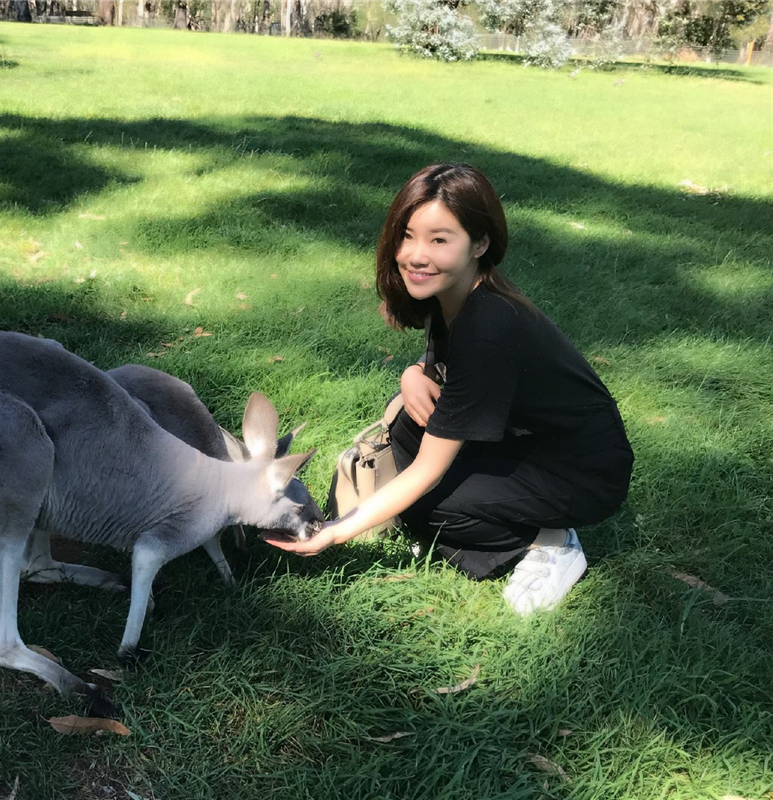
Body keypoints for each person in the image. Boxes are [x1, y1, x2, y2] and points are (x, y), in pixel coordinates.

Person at [263, 163, 633, 615]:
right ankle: (471, 528)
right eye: (408, 235)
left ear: (480, 243)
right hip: (533, 445)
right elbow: (445, 363)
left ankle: (549, 543)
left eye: (439, 239)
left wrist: (335, 532)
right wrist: (411, 374)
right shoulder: (458, 294)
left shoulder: (488, 326)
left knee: (427, 506)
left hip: (583, 471)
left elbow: (427, 471)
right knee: (404, 423)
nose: (416, 255)